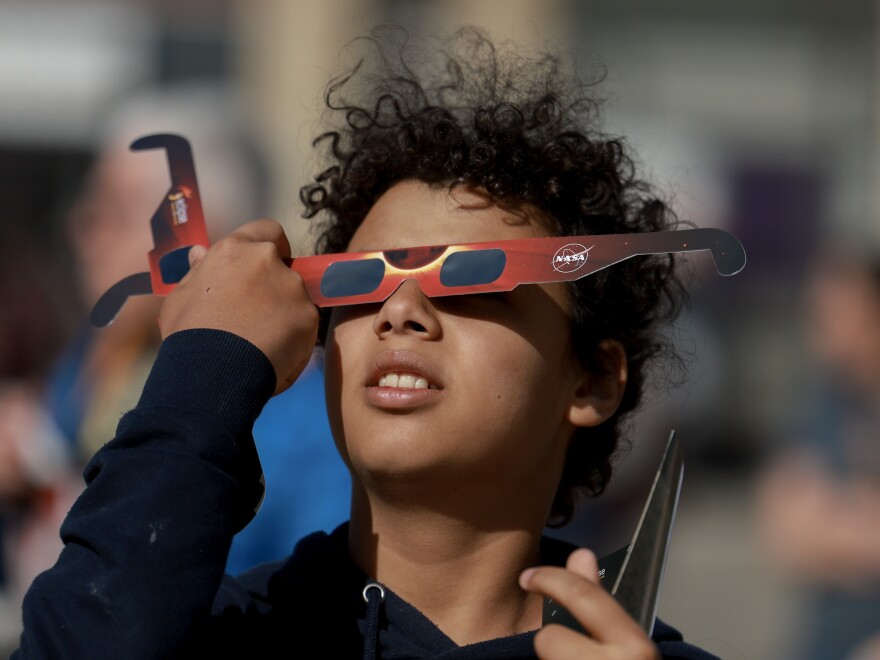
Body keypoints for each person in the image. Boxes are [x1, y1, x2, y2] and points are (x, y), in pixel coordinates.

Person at [15, 28, 717, 658]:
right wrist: (204, 365)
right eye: (357, 283)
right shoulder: (216, 634)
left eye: (473, 277)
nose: (401, 309)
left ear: (593, 379)